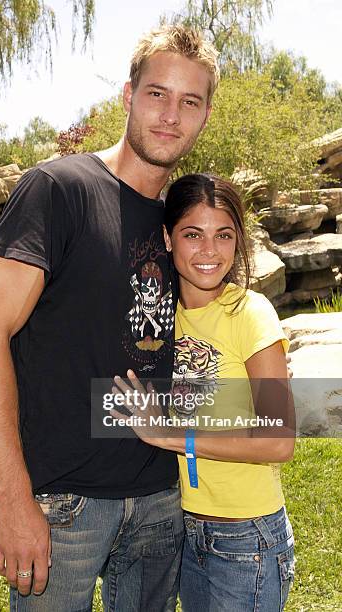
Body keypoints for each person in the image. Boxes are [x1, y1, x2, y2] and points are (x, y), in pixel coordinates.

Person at [0, 26, 220, 611]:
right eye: (157, 94)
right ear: (128, 96)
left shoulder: (183, 228)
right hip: (64, 506)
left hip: (161, 500)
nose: (171, 115)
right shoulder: (59, 188)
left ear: (205, 116)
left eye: (190, 102)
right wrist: (12, 499)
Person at [112, 173, 296, 611]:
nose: (210, 251)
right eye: (193, 234)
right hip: (184, 530)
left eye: (223, 235)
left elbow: (279, 439)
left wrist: (169, 437)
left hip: (246, 536)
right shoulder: (156, 318)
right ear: (168, 237)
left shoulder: (250, 314)